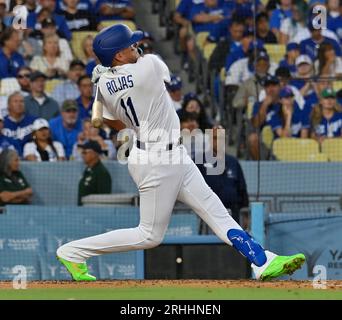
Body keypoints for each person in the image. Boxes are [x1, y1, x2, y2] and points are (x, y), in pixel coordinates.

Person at [56, 24, 305, 282]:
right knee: (149, 236)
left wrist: (106, 75)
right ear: (117, 55)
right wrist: (112, 71)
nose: (136, 46)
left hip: (170, 153)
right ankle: (73, 252)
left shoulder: (105, 85)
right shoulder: (149, 66)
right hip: (156, 161)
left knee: (215, 209)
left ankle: (262, 260)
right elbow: (146, 64)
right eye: (129, 45)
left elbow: (107, 120)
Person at [77, 140, 112, 206]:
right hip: (83, 212)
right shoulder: (88, 170)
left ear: (94, 154)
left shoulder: (102, 173)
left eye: (85, 152)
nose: (82, 155)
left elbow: (104, 199)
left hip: (94, 214)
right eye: (82, 152)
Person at [3, 92, 36, 156]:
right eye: (15, 101)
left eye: (21, 101)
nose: (19, 104)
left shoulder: (34, 121)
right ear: (9, 105)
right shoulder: (2, 123)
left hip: (31, 158)